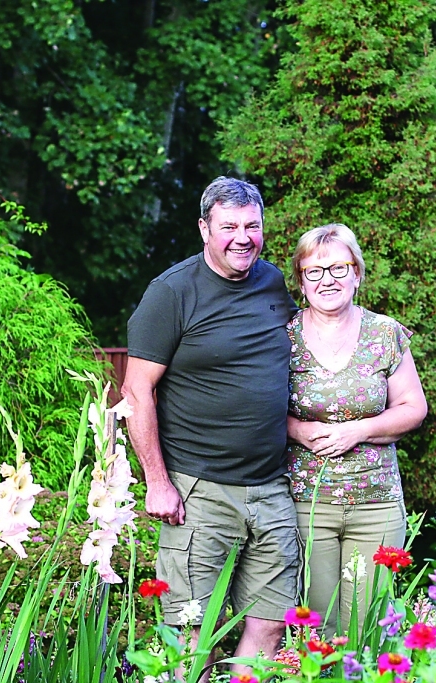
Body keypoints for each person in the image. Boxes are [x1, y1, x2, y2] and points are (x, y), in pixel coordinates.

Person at [121, 177, 299, 675]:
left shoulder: (272, 282)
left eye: (252, 226)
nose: (242, 237)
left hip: (270, 488)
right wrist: (157, 482)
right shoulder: (172, 292)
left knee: (270, 622)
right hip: (198, 490)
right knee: (193, 629)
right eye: (228, 226)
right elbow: (137, 392)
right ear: (204, 229)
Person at [285, 223, 428, 639]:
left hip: (376, 506)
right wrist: (296, 430)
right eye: (314, 271)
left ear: (357, 273)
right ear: (301, 281)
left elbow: (413, 408)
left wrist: (359, 430)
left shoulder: (385, 334)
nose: (327, 279)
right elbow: (257, 410)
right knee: (320, 628)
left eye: (339, 268)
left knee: (368, 628)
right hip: (306, 504)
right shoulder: (282, 337)